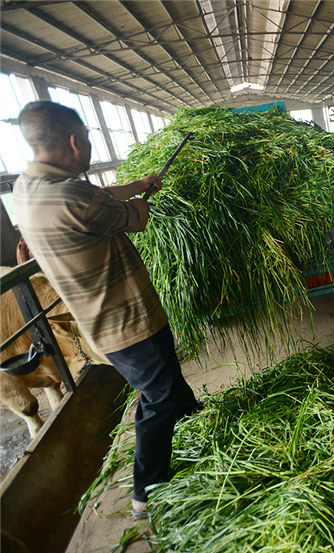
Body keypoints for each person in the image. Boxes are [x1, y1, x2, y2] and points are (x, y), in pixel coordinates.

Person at [13, 101, 198, 519]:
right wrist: (141, 200)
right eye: (90, 138)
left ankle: (195, 423)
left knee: (168, 378)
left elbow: (95, 196)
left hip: (105, 316)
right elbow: (135, 218)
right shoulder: (69, 196)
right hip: (124, 319)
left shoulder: (28, 187)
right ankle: (146, 491)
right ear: (75, 141)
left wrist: (137, 183)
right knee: (159, 396)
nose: (91, 146)